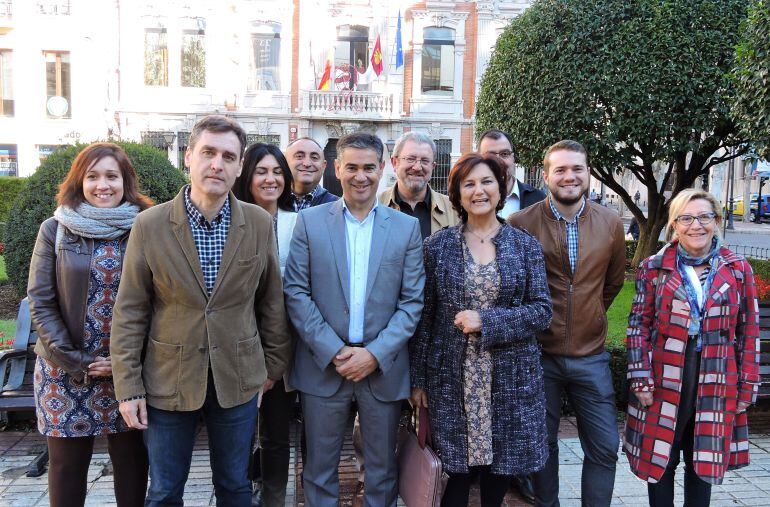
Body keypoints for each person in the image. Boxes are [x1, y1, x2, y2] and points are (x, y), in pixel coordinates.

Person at [111, 115, 292, 506]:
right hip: (167, 379)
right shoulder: (150, 225)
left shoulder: (259, 223)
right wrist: (128, 388)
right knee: (163, 491)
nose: (217, 164)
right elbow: (130, 311)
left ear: (239, 166)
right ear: (188, 157)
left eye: (228, 156)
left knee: (234, 487)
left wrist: (271, 370)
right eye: (208, 152)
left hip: (239, 379)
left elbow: (271, 301)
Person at [284, 132, 425, 506]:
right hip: (323, 367)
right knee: (319, 469)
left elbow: (412, 302)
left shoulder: (404, 228)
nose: (360, 176)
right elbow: (296, 293)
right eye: (351, 167)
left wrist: (375, 354)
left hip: (382, 368)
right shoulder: (310, 223)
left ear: (382, 169)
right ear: (337, 169)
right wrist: (334, 350)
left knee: (382, 471)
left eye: (368, 168)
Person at [411, 153, 551, 507]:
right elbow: (424, 318)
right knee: (455, 475)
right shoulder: (437, 247)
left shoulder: (524, 246)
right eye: (468, 184)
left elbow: (542, 311)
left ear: (501, 187)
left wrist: (487, 321)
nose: (478, 191)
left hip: (509, 377)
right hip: (452, 378)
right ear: (457, 193)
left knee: (498, 473)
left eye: (487, 181)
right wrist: (418, 380)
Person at [27, 142, 152, 507]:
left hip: (128, 372)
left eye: (112, 176)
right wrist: (78, 361)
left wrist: (127, 362)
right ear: (79, 181)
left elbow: (163, 302)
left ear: (125, 181)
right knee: (66, 469)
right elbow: (41, 301)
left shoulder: (145, 227)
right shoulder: (56, 229)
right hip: (63, 371)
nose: (103, 185)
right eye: (92, 176)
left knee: (132, 464)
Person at [508, 140, 626, 507]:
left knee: (606, 446)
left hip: (591, 356)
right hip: (539, 354)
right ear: (545, 176)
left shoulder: (610, 223)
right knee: (541, 448)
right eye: (560, 169)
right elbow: (513, 289)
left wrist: (589, 315)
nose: (569, 176)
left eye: (577, 168)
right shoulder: (520, 224)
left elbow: (613, 282)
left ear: (588, 173)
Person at [624, 188, 760, 506]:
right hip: (665, 373)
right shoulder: (654, 268)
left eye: (703, 217)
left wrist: (747, 384)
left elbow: (750, 330)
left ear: (716, 221)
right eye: (686, 218)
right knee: (662, 458)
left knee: (703, 458)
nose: (695, 225)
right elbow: (637, 328)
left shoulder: (737, 269)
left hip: (717, 373)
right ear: (674, 224)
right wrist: (640, 378)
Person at [232, 143, 297, 507]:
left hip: (282, 347)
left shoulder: (298, 224)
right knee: (237, 432)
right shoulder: (230, 223)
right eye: (261, 171)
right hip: (237, 344)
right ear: (247, 177)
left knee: (275, 431)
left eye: (277, 172)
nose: (270, 179)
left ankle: (273, 498)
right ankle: (238, 493)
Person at [379, 131, 460, 238]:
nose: (417, 167)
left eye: (425, 161)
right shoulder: (376, 207)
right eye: (410, 159)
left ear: (433, 166)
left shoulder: (454, 210)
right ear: (395, 163)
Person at [478, 129, 545, 219]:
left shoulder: (539, 200)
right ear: (478, 160)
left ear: (513, 158)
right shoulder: (469, 201)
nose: (499, 161)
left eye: (504, 154)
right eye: (491, 155)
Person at [284, 137, 339, 211]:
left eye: (314, 157)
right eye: (299, 156)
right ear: (284, 162)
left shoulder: (336, 207)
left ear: (324, 166)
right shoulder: (272, 201)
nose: (307, 164)